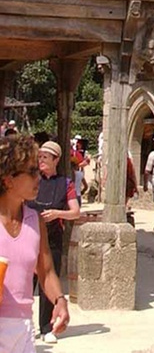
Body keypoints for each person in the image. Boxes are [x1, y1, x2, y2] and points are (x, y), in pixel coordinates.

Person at [0, 135, 70, 352]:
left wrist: (59, 300)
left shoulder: (35, 221)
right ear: (8, 180)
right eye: (31, 172)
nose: (38, 177)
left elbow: (46, 271)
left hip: (23, 330)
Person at [26, 141, 79, 344]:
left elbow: (75, 212)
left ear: (56, 160)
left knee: (49, 282)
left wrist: (57, 213)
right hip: (30, 237)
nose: (41, 161)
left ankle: (47, 327)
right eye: (39, 157)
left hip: (53, 240)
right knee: (26, 284)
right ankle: (26, 325)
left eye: (45, 158)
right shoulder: (31, 180)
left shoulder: (65, 183)